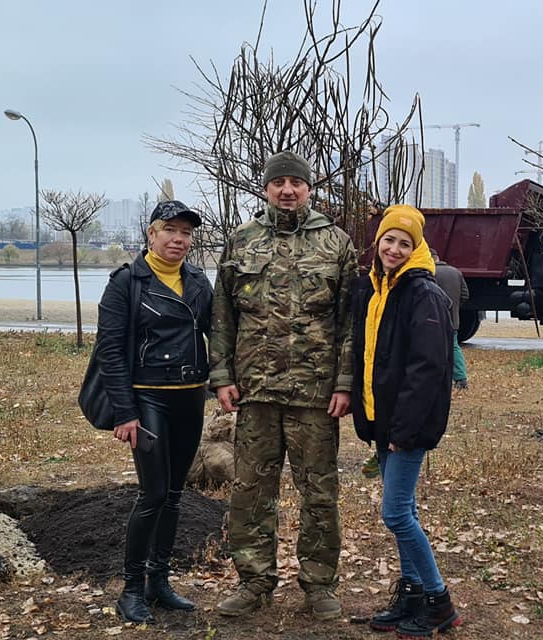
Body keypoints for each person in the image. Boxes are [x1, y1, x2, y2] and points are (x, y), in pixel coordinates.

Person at [209, 151, 356, 620]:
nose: (287, 190)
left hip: (315, 395)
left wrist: (345, 382)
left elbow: (349, 322)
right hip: (256, 393)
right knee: (251, 491)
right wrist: (222, 377)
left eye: (296, 182)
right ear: (266, 188)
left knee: (319, 492)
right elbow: (223, 316)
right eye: (279, 183)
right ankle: (254, 582)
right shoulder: (241, 241)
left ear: (309, 188)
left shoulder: (336, 243)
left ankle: (318, 584)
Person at [94, 200, 211, 624]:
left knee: (176, 495)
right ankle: (131, 588)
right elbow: (110, 349)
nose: (179, 240)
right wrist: (125, 413)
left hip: (191, 396)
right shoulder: (127, 282)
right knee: (154, 492)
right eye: (171, 231)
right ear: (151, 233)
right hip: (148, 398)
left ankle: (160, 582)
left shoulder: (198, 281)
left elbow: (217, 330)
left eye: (186, 233)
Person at [352, 205, 462, 638]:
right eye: (388, 240)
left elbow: (427, 369)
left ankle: (439, 602)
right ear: (378, 243)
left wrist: (402, 430)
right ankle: (413, 593)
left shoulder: (424, 294)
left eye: (404, 242)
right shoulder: (379, 289)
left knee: (396, 513)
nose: (394, 248)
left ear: (416, 248)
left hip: (407, 426)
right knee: (406, 508)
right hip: (384, 420)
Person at [432, 252, 470, 389]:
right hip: (453, 319)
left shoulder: (430, 273)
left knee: (431, 348)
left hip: (434, 319)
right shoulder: (456, 272)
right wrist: (455, 307)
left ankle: (437, 377)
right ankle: (461, 378)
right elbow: (465, 295)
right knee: (453, 347)